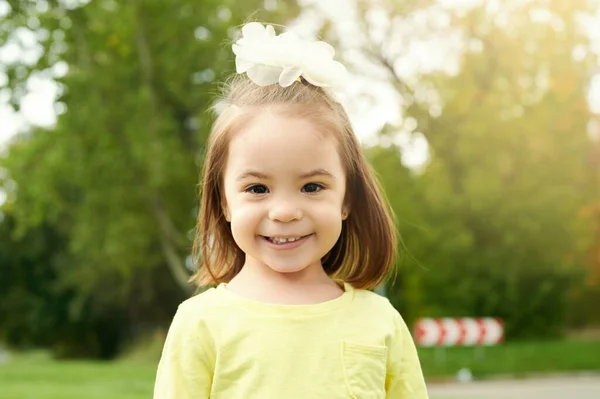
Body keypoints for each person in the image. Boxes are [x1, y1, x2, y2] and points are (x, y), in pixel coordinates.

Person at [153, 22, 429, 399]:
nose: (284, 211)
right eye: (257, 188)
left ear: (347, 199)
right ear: (224, 202)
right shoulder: (200, 324)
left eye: (312, 187)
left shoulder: (380, 323)